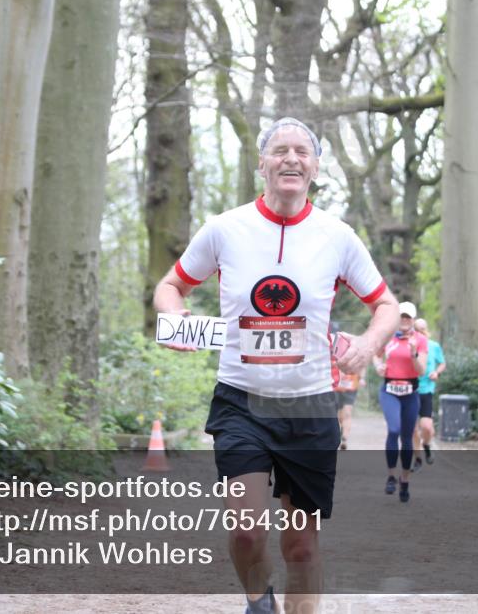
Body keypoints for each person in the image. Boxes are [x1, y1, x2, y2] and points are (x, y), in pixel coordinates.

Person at [153, 116, 399, 614]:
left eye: (302, 151)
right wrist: (177, 319)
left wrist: (370, 344)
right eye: (280, 150)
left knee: (302, 546)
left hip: (309, 406)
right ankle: (257, 597)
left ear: (315, 166)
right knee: (247, 531)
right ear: (261, 164)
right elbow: (170, 285)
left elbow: (387, 305)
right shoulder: (224, 229)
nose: (291, 158)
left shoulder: (337, 236)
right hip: (241, 399)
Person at [372, 301, 427, 503]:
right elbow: (375, 356)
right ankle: (391, 476)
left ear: (413, 320)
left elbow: (421, 370)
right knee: (393, 430)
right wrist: (378, 366)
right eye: (401, 317)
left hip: (410, 391)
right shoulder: (388, 337)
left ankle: (405, 480)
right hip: (390, 390)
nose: (404, 321)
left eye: (408, 317)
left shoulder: (420, 340)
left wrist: (413, 354)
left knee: (406, 437)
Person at [411, 317, 446, 471]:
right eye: (417, 330)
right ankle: (417, 459)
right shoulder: (409, 346)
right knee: (412, 429)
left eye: (422, 329)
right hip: (411, 390)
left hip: (426, 390)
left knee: (426, 427)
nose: (420, 333)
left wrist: (436, 372)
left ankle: (426, 445)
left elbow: (442, 363)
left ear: (427, 331)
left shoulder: (434, 346)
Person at [331, 330, 365, 451]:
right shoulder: (332, 347)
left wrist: (362, 378)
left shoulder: (354, 348)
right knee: (339, 415)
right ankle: (340, 434)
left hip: (351, 385)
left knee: (347, 412)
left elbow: (362, 363)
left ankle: (344, 438)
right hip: (337, 386)